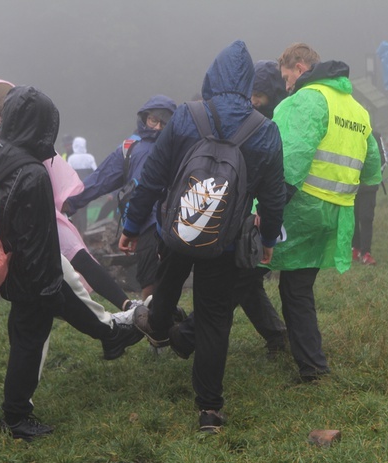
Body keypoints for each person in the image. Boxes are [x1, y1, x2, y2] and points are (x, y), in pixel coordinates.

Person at [120, 41, 286, 433]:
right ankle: (209, 410)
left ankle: (158, 327)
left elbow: (152, 178)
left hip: (177, 228)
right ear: (247, 84)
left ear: (211, 76)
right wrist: (268, 242)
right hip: (225, 242)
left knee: (169, 280)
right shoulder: (265, 130)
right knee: (214, 318)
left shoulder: (185, 116)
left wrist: (130, 226)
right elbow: (274, 194)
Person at [0, 86, 143, 440]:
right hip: (32, 270)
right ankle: (16, 417)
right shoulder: (32, 173)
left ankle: (111, 335)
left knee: (34, 327)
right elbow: (39, 242)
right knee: (30, 340)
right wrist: (47, 288)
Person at [0, 74, 135, 312]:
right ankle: (108, 328)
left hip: (44, 213)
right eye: (0, 116)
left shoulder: (26, 137)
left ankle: (125, 307)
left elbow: (49, 171)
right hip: (16, 230)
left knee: (77, 256)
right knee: (46, 290)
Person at [268, 43, 381, 382]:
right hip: (336, 212)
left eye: (287, 77)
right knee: (297, 287)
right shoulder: (356, 108)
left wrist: (269, 205)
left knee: (241, 273)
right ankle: (313, 367)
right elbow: (372, 162)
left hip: (298, 209)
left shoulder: (306, 99)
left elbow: (293, 154)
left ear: (300, 68)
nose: (286, 85)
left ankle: (185, 337)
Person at [166, 64, 289, 359]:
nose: (255, 101)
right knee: (247, 276)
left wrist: (267, 228)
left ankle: (189, 333)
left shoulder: (276, 122)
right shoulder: (252, 120)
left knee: (241, 278)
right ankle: (276, 335)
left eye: (261, 95)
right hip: (244, 214)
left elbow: (277, 180)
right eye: (252, 94)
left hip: (266, 214)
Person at [63, 95, 177, 299]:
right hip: (149, 226)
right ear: (144, 118)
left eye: (164, 123)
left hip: (171, 223)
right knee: (151, 284)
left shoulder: (178, 146)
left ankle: (155, 324)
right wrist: (69, 203)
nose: (158, 128)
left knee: (158, 285)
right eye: (153, 120)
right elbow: (100, 179)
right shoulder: (130, 148)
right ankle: (156, 323)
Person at [352, 131, 387, 266]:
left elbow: (384, 159)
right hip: (351, 186)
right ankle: (355, 249)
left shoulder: (376, 135)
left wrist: (373, 177)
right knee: (351, 218)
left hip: (369, 188)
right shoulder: (349, 132)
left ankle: (366, 253)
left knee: (366, 218)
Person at [66, 136, 98, 234]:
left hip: (74, 189)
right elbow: (96, 172)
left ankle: (76, 231)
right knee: (84, 210)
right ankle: (84, 231)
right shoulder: (89, 157)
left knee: (74, 210)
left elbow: (68, 173)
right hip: (86, 188)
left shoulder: (71, 158)